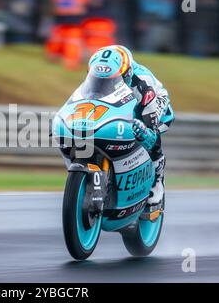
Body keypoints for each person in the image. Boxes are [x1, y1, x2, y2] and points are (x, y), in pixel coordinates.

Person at [71, 45, 175, 213]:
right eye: (100, 79)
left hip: (153, 102)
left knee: (145, 133)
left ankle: (158, 181)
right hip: (128, 100)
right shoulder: (99, 76)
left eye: (111, 79)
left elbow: (147, 120)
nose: (105, 83)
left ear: (125, 74)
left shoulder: (142, 84)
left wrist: (144, 129)